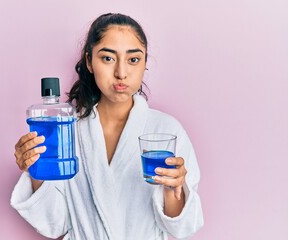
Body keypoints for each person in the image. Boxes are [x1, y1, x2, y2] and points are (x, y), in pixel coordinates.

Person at [11, 13, 203, 240]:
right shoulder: (67, 130)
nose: (121, 73)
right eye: (108, 58)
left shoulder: (167, 130)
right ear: (89, 61)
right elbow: (55, 224)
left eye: (133, 59)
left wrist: (175, 189)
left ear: (145, 63)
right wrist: (35, 170)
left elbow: (180, 228)